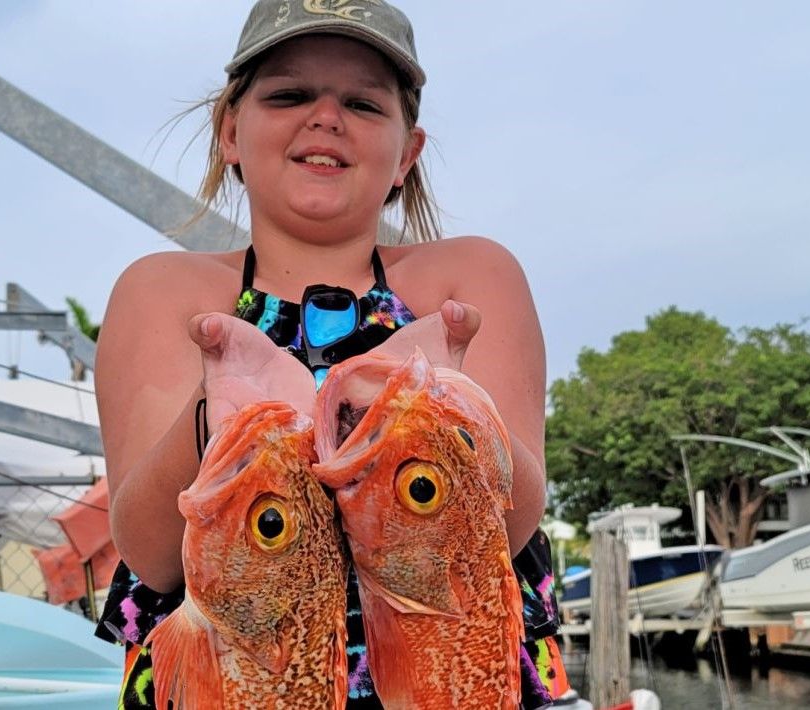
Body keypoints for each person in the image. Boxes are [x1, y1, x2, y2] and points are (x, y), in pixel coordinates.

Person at [93, 1, 567, 707]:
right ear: (230, 130)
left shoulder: (471, 277)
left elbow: (513, 518)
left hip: (456, 676)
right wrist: (217, 414)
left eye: (362, 103)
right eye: (287, 94)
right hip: (229, 677)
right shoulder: (166, 293)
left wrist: (447, 418)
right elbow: (149, 551)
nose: (324, 117)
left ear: (407, 152)